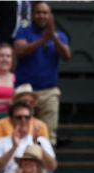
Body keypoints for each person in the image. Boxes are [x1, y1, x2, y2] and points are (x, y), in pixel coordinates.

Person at [14, 1, 71, 145]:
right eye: (38, 12)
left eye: (45, 13)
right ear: (33, 15)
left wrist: (53, 37)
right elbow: (20, 51)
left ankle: (47, 167)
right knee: (23, 134)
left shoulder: (60, 35)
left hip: (49, 93)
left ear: (50, 16)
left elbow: (66, 56)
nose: (41, 16)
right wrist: (42, 40)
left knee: (48, 137)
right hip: (26, 91)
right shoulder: (24, 31)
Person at [0, 102, 56, 173]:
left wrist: (37, 145)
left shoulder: (41, 140)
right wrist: (14, 147)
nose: (23, 120)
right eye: (19, 117)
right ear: (11, 120)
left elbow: (52, 167)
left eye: (27, 117)